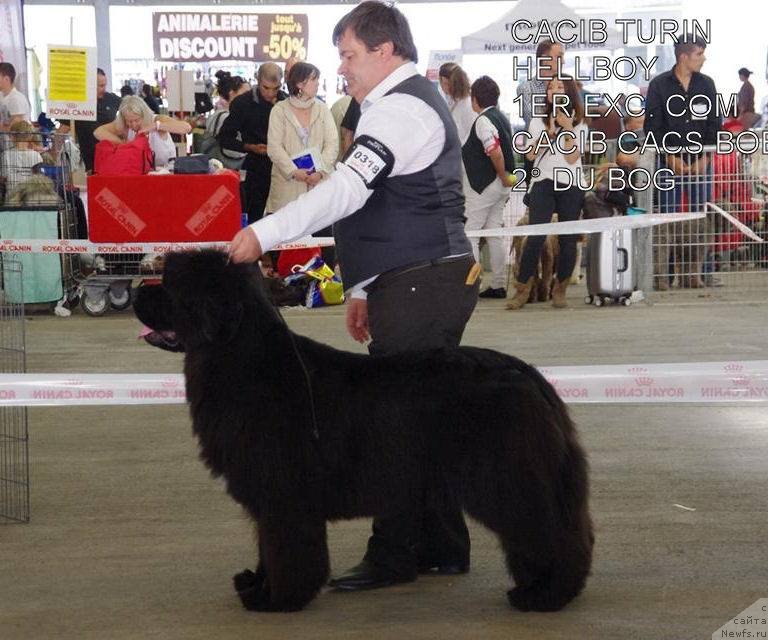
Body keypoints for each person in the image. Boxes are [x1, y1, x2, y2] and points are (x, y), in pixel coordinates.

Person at [230, 0, 479, 590]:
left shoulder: (400, 111)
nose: (341, 69)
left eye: (348, 56)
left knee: (394, 425)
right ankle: (442, 545)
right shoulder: (394, 106)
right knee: (423, 416)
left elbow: (347, 191)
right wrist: (365, 287)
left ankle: (394, 555)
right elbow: (377, 204)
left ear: (385, 50)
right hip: (415, 278)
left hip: (424, 279)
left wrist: (262, 233)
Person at [644, 33, 719, 289]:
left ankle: (701, 274)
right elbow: (652, 126)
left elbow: (714, 124)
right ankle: (665, 276)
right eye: (699, 54)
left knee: (702, 218)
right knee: (668, 219)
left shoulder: (707, 85)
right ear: (683, 56)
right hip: (668, 163)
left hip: (701, 161)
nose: (703, 58)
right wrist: (670, 157)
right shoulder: (659, 86)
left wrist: (705, 158)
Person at [507, 77, 588, 310]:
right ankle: (522, 289)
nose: (554, 90)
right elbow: (529, 156)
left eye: (560, 87)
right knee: (535, 235)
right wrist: (548, 134)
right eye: (550, 87)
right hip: (543, 182)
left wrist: (569, 128)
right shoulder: (537, 121)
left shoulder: (580, 123)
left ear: (570, 92)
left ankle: (559, 289)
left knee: (567, 239)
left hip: (570, 184)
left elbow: (572, 158)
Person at [266, 61, 338, 271]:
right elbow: (274, 147)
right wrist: (293, 171)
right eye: (313, 79)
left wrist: (321, 169)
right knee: (287, 235)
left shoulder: (322, 109)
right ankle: (289, 280)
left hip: (319, 183)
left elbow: (333, 143)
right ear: (299, 83)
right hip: (288, 185)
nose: (317, 84)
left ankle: (326, 282)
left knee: (324, 236)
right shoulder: (279, 111)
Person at [461, 76, 516, 298]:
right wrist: (505, 178)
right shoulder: (501, 117)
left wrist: (501, 175)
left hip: (485, 185)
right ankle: (499, 283)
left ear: (475, 99)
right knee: (493, 233)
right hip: (501, 186)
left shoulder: (483, 121)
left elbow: (494, 150)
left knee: (471, 234)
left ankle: (472, 284)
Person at [218, 63, 285, 224]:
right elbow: (224, 138)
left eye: (275, 88)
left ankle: (277, 250)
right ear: (257, 80)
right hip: (256, 167)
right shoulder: (242, 103)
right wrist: (250, 147)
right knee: (253, 214)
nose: (270, 93)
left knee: (282, 216)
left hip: (283, 167)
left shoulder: (286, 102)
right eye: (266, 87)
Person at [93, 95, 191, 169]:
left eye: (137, 120)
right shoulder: (125, 127)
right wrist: (123, 144)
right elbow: (98, 132)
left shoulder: (158, 119)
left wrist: (156, 126)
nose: (133, 125)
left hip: (166, 171)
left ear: (144, 115)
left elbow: (186, 128)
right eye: (129, 121)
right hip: (141, 173)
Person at [515, 40, 564, 187]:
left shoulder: (566, 85)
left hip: (563, 156)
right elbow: (535, 121)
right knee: (535, 205)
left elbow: (575, 116)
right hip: (537, 155)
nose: (564, 61)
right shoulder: (526, 88)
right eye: (559, 56)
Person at [61, 68, 121, 173]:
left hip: (112, 158)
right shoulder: (78, 104)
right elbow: (63, 129)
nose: (104, 89)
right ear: (90, 85)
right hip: (89, 161)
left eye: (105, 85)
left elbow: (131, 109)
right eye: (101, 86)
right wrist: (53, 152)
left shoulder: (112, 99)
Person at [0, 121, 43, 204]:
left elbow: (3, 177)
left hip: (12, 198)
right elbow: (39, 178)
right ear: (30, 137)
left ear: (12, 137)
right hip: (31, 198)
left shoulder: (5, 155)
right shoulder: (37, 156)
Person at [438, 62, 475, 144]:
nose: (443, 87)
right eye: (442, 83)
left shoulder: (468, 104)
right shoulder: (453, 101)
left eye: (446, 83)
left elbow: (472, 135)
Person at [0, 63, 32, 130]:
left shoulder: (16, 98)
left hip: (19, 139)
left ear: (6, 79)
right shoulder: (1, 95)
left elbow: (15, 128)